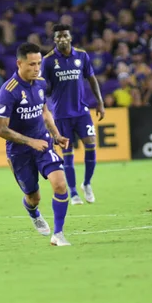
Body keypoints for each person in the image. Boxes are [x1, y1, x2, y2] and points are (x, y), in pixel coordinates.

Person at [0, 42, 72, 246]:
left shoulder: (40, 83)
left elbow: (44, 111)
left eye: (38, 64)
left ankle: (59, 234)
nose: (36, 68)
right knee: (33, 196)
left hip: (43, 143)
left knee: (60, 184)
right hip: (19, 150)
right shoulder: (8, 91)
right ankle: (33, 212)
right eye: (31, 64)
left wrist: (56, 135)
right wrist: (30, 142)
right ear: (19, 63)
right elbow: (0, 130)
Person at [40, 24, 105, 205]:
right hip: (61, 114)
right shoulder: (48, 60)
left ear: (70, 37)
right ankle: (74, 191)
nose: (62, 39)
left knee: (91, 144)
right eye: (58, 37)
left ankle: (86, 183)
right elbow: (42, 86)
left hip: (81, 111)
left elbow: (91, 78)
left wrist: (99, 102)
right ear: (54, 40)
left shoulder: (82, 55)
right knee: (67, 153)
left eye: (64, 36)